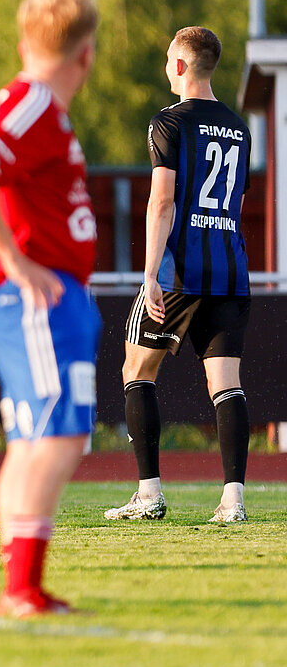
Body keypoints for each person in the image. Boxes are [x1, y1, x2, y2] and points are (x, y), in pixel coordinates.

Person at [0, 0, 101, 619]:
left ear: (23, 41)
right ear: (86, 55)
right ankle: (21, 589)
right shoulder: (33, 101)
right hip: (34, 297)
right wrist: (14, 259)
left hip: (44, 297)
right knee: (60, 437)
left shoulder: (36, 104)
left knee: (36, 440)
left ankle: (23, 585)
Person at [105, 27, 252, 525]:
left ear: (183, 66)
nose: (167, 67)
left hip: (179, 271)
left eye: (170, 59)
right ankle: (233, 501)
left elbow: (162, 201)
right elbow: (238, 201)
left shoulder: (167, 123)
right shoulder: (239, 127)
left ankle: (149, 493)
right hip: (230, 270)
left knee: (136, 371)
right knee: (226, 386)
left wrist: (149, 273)